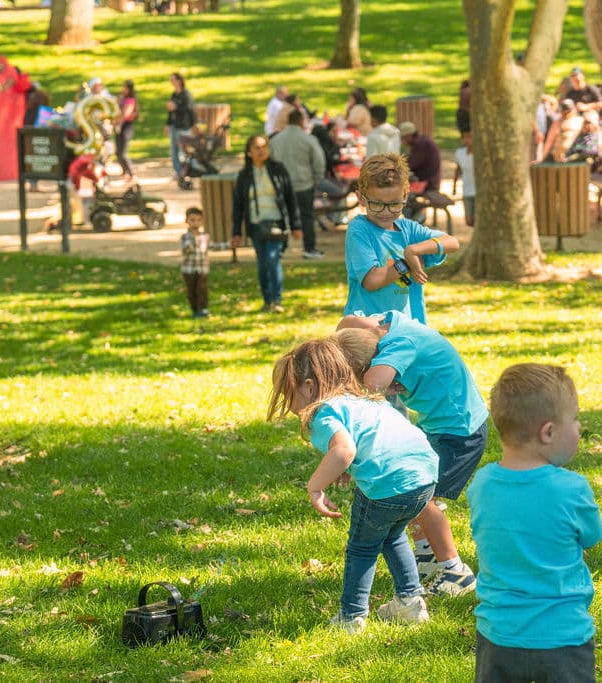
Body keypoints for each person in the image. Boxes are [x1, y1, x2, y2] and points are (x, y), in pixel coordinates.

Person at [268, 338, 438, 633]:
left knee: (362, 547)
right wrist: (345, 467)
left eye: (289, 394)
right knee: (392, 534)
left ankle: (351, 616)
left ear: (309, 386)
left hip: (388, 483)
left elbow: (344, 450)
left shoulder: (323, 413)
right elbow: (365, 442)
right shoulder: (363, 400)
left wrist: (315, 487)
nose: (291, 405)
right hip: (424, 476)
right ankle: (410, 603)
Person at [334, 311, 489, 597]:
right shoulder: (385, 324)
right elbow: (345, 324)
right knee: (413, 490)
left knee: (421, 497)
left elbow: (373, 384)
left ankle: (456, 571)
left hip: (460, 431)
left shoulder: (399, 343)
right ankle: (428, 557)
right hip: (442, 425)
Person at [469, 363, 602, 683]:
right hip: (564, 638)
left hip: (498, 635)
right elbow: (592, 536)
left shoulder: (482, 484)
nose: (579, 427)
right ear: (548, 432)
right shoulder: (573, 488)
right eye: (574, 420)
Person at [343, 153, 459, 323]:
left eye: (394, 204)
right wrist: (406, 264)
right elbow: (372, 280)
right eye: (376, 204)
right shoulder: (359, 229)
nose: (385, 212)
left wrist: (413, 250)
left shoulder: (408, 229)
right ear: (361, 198)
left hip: (408, 326)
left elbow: (452, 242)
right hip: (368, 329)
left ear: (405, 196)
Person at [231, 134, 300, 314]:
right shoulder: (244, 175)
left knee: (272, 259)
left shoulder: (278, 170)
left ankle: (277, 299)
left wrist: (296, 225)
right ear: (249, 152)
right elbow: (238, 205)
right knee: (262, 264)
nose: (261, 151)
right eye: (257, 148)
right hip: (255, 225)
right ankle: (267, 300)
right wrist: (236, 232)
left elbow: (290, 198)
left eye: (264, 147)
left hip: (276, 224)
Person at [270, 109, 327, 260]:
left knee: (281, 216)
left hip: (281, 184)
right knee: (306, 216)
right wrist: (317, 178)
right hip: (303, 183)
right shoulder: (308, 139)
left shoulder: (276, 140)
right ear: (301, 121)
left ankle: (280, 247)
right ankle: (309, 248)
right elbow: (319, 161)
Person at [165, 73, 195, 186]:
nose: (171, 82)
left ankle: (186, 172)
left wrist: (176, 107)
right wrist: (167, 124)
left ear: (179, 81)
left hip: (183, 126)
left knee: (184, 151)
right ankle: (178, 172)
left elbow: (189, 109)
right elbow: (170, 111)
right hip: (174, 126)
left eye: (173, 80)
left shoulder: (186, 95)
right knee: (174, 151)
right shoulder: (174, 94)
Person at [181, 207, 209, 319]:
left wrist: (227, 244)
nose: (195, 223)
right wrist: (193, 239)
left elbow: (211, 246)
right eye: (192, 220)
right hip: (189, 269)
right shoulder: (185, 237)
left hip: (202, 268)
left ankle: (203, 309)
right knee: (192, 290)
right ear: (187, 221)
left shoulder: (205, 236)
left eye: (198, 220)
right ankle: (195, 309)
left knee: (202, 288)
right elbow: (186, 250)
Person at [399, 121, 442, 191]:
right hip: (430, 178)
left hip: (429, 182)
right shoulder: (422, 140)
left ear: (408, 136)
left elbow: (410, 164)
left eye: (402, 138)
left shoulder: (420, 144)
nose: (402, 141)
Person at [114, 80, 138, 183]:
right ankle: (126, 172)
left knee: (123, 153)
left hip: (126, 126)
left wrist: (119, 123)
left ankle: (131, 173)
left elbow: (125, 114)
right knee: (118, 152)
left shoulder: (130, 100)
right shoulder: (122, 98)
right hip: (120, 126)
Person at [453, 129, 476, 226]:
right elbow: (458, 169)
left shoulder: (479, 154)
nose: (466, 140)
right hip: (466, 189)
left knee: (476, 218)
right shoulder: (459, 153)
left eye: (469, 137)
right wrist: (454, 186)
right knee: (469, 220)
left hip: (478, 191)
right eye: (464, 137)